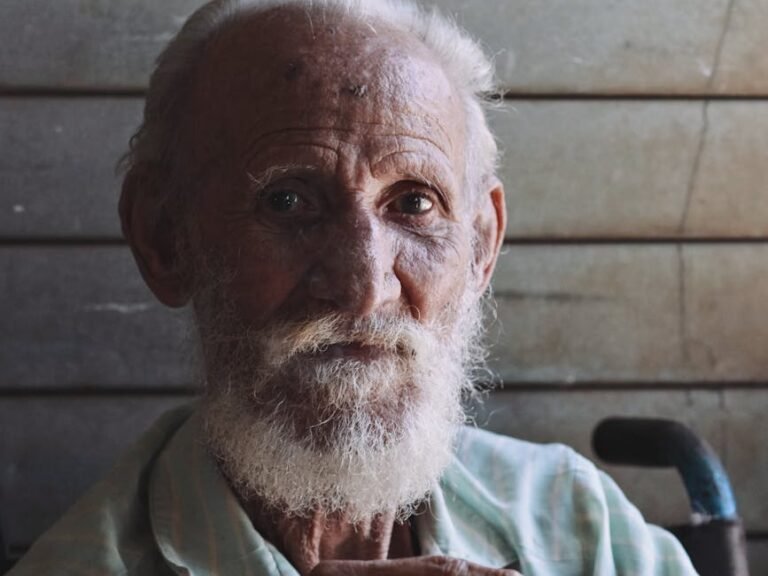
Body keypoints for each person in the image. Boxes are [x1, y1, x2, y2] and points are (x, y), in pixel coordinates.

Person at [9, 0, 699, 574]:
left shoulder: (579, 522)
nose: (365, 288)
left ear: (482, 244)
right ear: (164, 240)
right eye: (288, 202)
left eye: (414, 204)